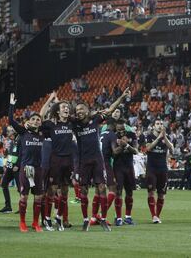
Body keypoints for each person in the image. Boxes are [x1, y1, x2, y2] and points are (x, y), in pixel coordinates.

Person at [73, 88, 131, 232]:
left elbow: (110, 110)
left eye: (81, 109)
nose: (78, 111)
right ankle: (86, 220)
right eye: (77, 110)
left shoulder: (95, 120)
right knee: (84, 191)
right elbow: (61, 115)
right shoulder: (74, 123)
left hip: (97, 160)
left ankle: (103, 219)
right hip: (83, 161)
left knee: (102, 188)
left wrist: (122, 97)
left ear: (87, 111)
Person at [9, 93, 44, 232]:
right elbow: (11, 121)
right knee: (24, 196)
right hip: (26, 168)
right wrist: (12, 105)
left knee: (39, 197)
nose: (36, 121)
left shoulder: (42, 134)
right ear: (28, 122)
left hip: (39, 168)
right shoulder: (23, 132)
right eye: (33, 119)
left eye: (38, 120)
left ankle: (36, 223)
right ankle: (22, 222)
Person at [40, 95, 74, 232]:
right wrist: (49, 100)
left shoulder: (72, 123)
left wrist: (61, 101)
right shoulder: (52, 124)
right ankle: (47, 218)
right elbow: (41, 116)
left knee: (65, 191)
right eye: (63, 107)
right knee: (52, 190)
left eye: (67, 107)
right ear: (58, 112)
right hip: (56, 159)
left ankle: (59, 217)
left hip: (68, 160)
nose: (66, 108)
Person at [145, 118, 174, 224]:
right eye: (157, 123)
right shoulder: (149, 136)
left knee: (161, 194)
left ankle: (157, 215)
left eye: (161, 123)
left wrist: (164, 136)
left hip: (163, 169)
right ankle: (153, 216)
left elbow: (172, 148)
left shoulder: (166, 137)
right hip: (151, 168)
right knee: (151, 192)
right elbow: (148, 148)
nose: (159, 125)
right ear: (153, 126)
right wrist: (158, 138)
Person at [112, 120, 138, 226]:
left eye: (122, 129)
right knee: (118, 192)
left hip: (129, 167)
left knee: (129, 192)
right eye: (119, 130)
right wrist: (122, 145)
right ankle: (118, 218)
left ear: (125, 127)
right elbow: (114, 153)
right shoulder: (112, 137)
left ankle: (128, 217)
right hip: (118, 167)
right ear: (116, 129)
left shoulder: (131, 134)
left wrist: (126, 145)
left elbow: (136, 151)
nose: (121, 131)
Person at [0, 126, 20, 213]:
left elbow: (23, 153)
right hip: (10, 166)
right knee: (4, 184)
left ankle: (23, 207)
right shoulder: (11, 142)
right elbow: (11, 155)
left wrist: (18, 165)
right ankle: (8, 207)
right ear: (7, 134)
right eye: (10, 130)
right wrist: (7, 164)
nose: (12, 129)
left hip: (17, 167)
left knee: (20, 188)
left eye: (11, 128)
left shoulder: (20, 138)